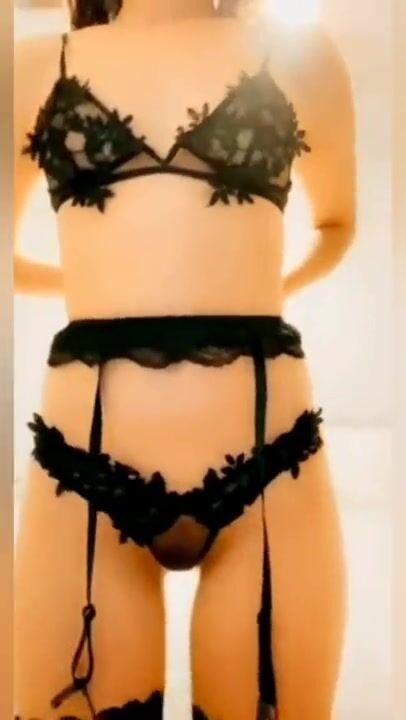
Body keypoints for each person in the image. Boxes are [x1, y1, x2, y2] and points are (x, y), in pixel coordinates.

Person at [14, 1, 356, 718]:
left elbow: (337, 224)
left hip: (271, 458)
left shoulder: (303, 55)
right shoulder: (35, 66)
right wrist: (94, 283)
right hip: (84, 462)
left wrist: (265, 288)